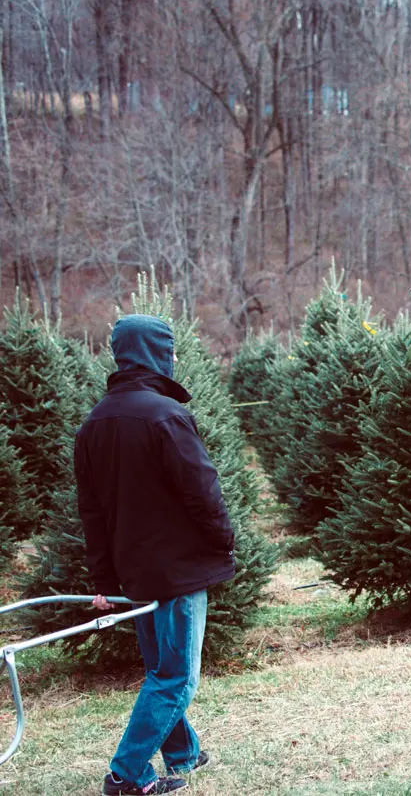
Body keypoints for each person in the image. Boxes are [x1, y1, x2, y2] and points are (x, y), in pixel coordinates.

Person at [75, 314, 237, 795]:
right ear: (156, 354)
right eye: (170, 350)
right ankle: (126, 775)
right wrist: (222, 540)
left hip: (136, 573)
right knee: (176, 677)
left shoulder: (94, 423)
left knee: (160, 670)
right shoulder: (166, 415)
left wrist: (105, 580)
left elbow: (92, 513)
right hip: (178, 571)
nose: (175, 358)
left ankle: (182, 753)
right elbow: (202, 489)